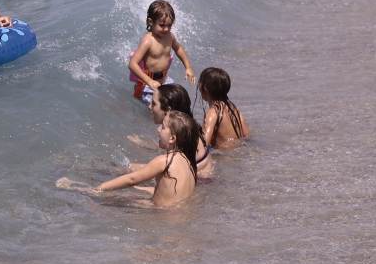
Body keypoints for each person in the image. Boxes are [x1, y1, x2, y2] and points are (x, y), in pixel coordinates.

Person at [59, 111, 198, 208]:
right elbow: (169, 191)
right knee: (136, 191)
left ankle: (77, 187)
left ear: (172, 138)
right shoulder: (188, 163)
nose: (157, 130)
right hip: (176, 213)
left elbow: (132, 179)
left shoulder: (165, 160)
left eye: (162, 127)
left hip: (160, 213)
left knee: (109, 199)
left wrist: (101, 188)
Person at [128, 83, 215, 179]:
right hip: (203, 175)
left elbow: (171, 168)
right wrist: (144, 144)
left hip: (200, 181)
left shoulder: (181, 136)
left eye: (153, 104)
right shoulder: (188, 127)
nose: (149, 107)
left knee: (128, 169)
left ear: (168, 110)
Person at [128, 0, 194, 104]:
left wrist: (188, 67)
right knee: (157, 109)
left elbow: (179, 49)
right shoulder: (148, 41)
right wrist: (149, 81)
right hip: (147, 84)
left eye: (169, 25)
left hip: (164, 79)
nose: (166, 29)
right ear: (150, 22)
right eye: (162, 25)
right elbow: (132, 64)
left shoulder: (170, 37)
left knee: (176, 101)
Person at [198, 67, 250, 149]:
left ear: (204, 88)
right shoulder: (234, 109)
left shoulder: (213, 112)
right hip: (237, 152)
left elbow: (204, 143)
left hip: (222, 157)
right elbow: (246, 135)